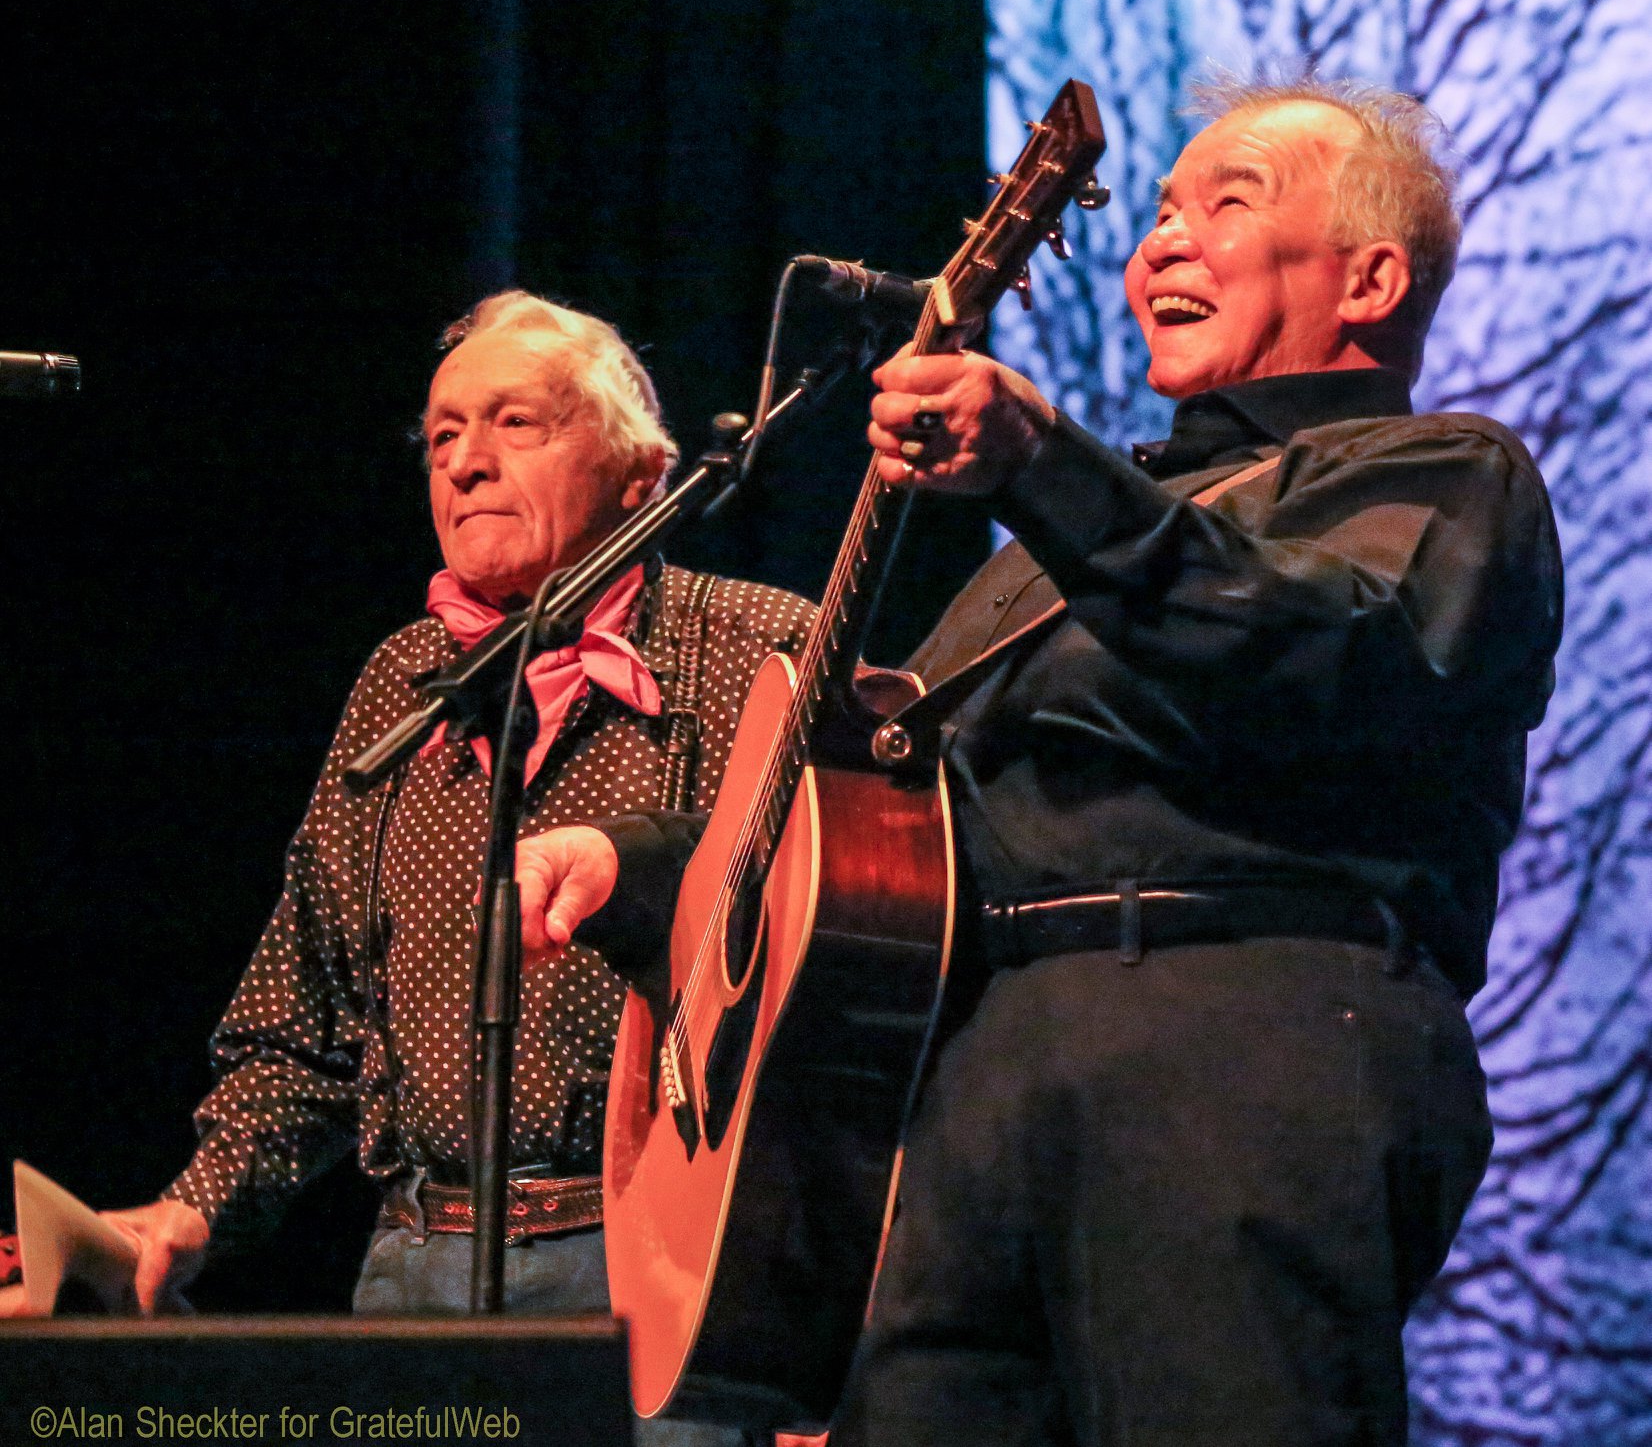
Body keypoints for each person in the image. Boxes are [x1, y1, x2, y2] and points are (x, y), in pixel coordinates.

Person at [513, 79, 1564, 1446]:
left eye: (1227, 206)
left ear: (1369, 278)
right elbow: (898, 805)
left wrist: (1046, 469)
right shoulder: (1038, 562)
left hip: (1237, 1044)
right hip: (971, 1091)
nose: (1165, 245)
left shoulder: (1445, 472)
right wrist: (638, 863)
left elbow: (1312, 654)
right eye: (1162, 214)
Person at [50, 291, 812, 1444]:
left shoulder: (755, 645)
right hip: (415, 1266)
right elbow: (301, 1020)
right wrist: (191, 1207)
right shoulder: (401, 684)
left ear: (641, 470)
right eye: (443, 434)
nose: (463, 464)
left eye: (516, 423)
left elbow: (846, 931)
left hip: (668, 1267)